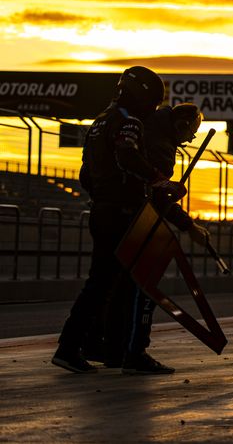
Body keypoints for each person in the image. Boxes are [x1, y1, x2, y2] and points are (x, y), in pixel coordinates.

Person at [52, 66, 190, 375]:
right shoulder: (129, 122)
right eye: (152, 101)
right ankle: (133, 353)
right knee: (138, 284)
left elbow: (85, 173)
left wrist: (103, 194)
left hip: (101, 209)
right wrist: (160, 182)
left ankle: (71, 346)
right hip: (124, 214)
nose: (153, 109)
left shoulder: (100, 122)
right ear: (141, 95)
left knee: (99, 285)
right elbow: (128, 156)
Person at [86, 102, 210, 368]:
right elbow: (156, 195)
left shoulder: (142, 127)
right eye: (192, 131)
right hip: (135, 217)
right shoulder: (160, 144)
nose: (191, 138)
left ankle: (109, 348)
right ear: (183, 125)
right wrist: (187, 225)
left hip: (110, 210)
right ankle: (134, 351)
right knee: (141, 286)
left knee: (110, 285)